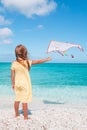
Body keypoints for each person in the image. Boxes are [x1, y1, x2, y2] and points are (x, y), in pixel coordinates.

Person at [11, 44, 51, 120]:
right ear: (24, 53)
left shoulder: (14, 63)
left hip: (17, 84)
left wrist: (13, 84)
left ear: (16, 53)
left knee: (17, 99)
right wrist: (46, 59)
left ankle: (16, 114)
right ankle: (25, 117)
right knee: (24, 101)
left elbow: (12, 75)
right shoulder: (27, 62)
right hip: (25, 84)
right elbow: (38, 61)